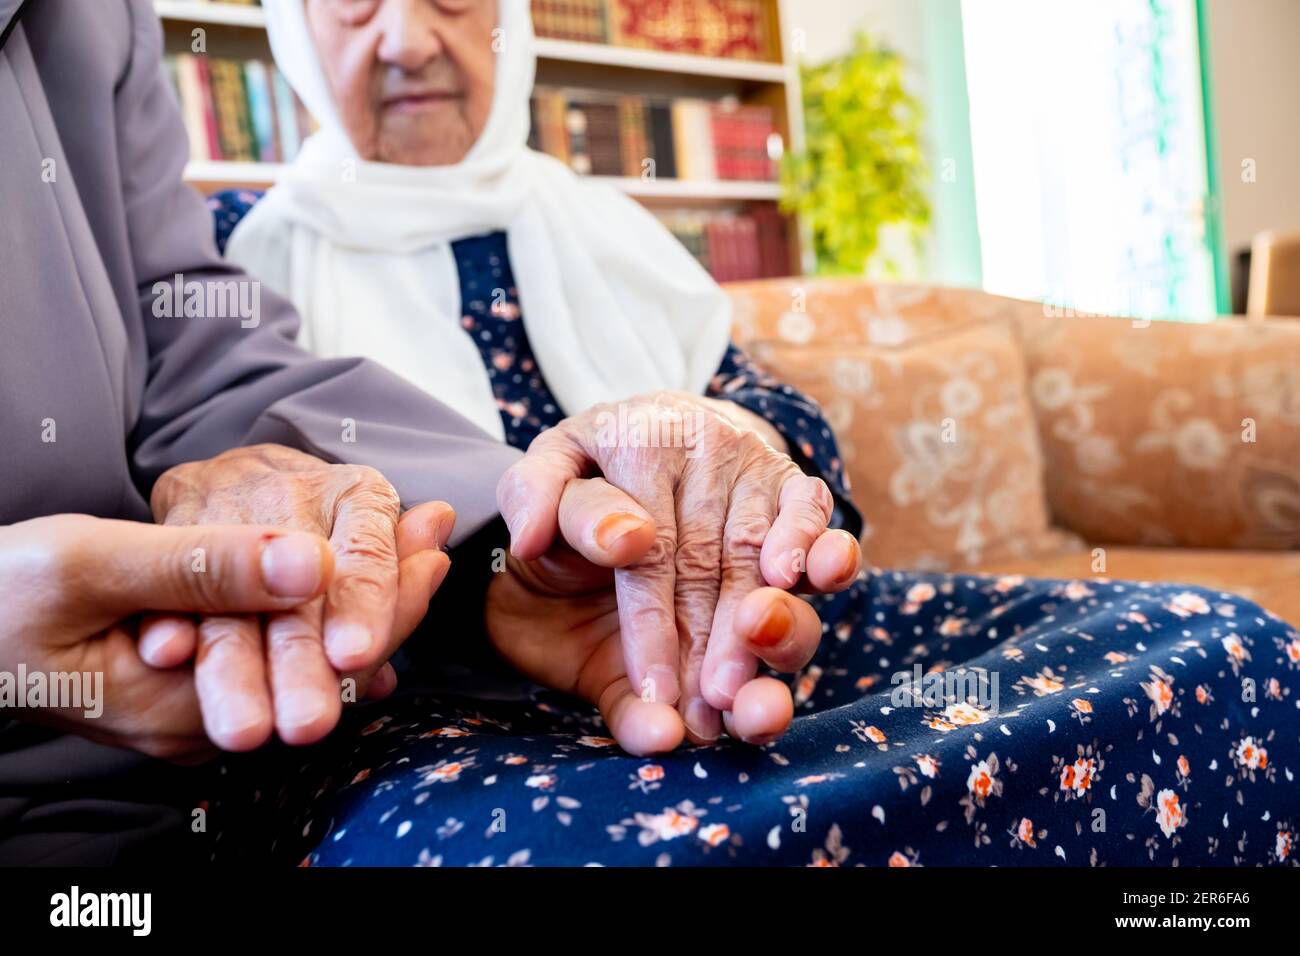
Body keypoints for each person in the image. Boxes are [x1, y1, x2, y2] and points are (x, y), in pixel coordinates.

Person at [211, 0, 1299, 866]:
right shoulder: (230, 255)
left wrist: (739, 458)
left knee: (1228, 650)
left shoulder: (612, 231)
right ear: (288, 29)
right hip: (432, 712)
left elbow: (780, 425)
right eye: (350, 0)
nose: (405, 36)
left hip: (767, 657)